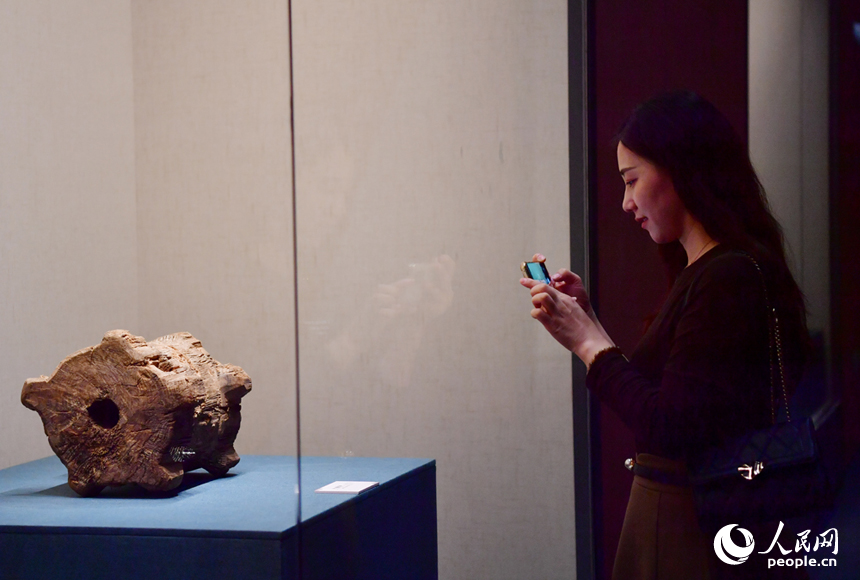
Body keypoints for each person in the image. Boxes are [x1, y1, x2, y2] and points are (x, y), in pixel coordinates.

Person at [520, 91, 811, 579]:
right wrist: (588, 325)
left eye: (632, 180)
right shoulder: (713, 268)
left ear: (681, 168)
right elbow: (677, 398)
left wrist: (589, 344)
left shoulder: (726, 276)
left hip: (692, 525)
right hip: (698, 515)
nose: (626, 202)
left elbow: (670, 427)